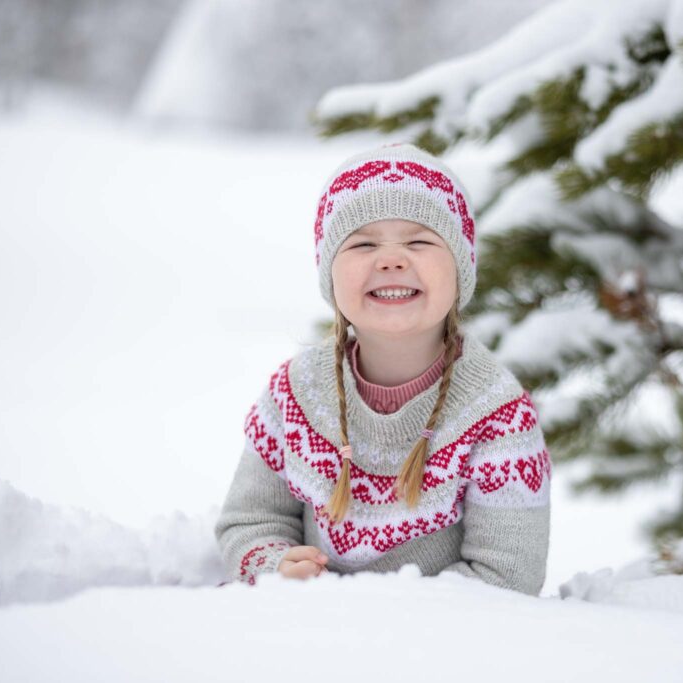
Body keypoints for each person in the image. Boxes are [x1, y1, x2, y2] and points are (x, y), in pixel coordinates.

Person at [213, 142, 552, 596]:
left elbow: (508, 578)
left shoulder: (498, 415)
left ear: (460, 268)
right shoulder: (295, 395)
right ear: (330, 274)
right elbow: (249, 523)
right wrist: (277, 567)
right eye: (363, 243)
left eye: (419, 241)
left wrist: (372, 615)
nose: (391, 259)